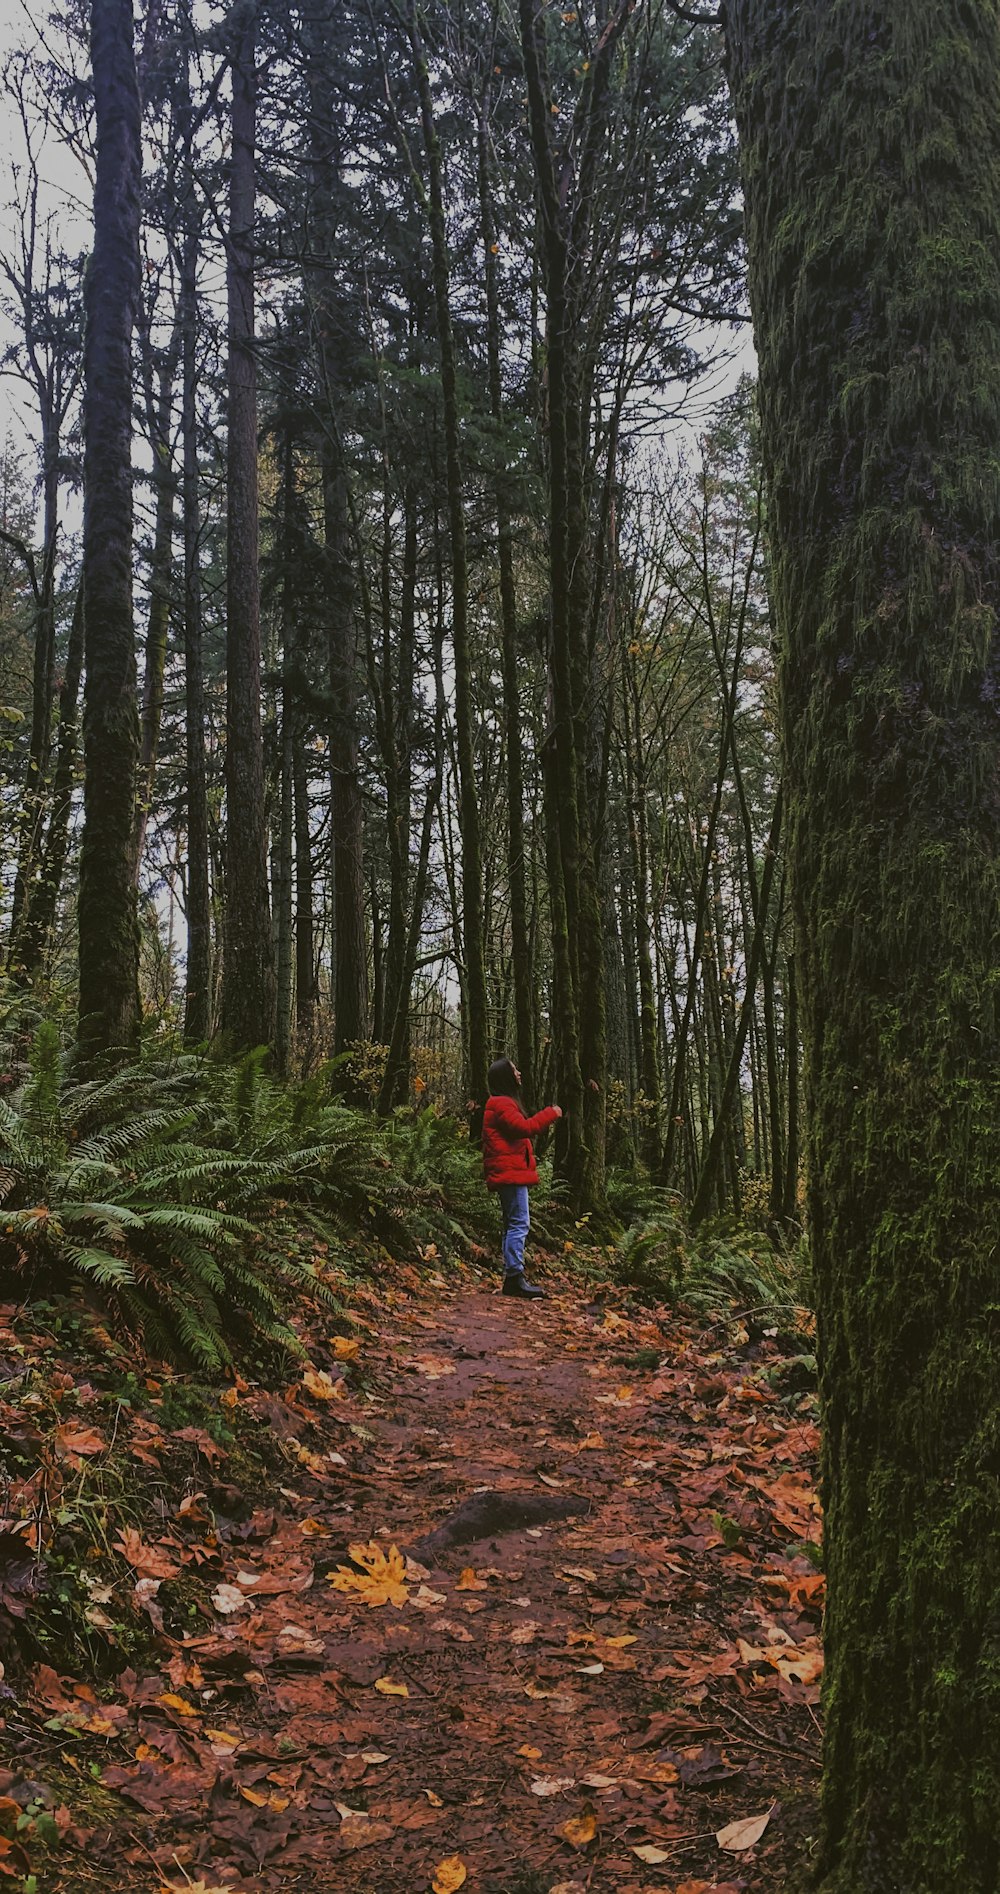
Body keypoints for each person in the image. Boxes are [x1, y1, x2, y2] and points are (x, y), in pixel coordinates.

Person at [481, 1056, 562, 1300]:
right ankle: (515, 1278)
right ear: (505, 1077)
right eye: (515, 1070)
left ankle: (513, 1277)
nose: (519, 1073)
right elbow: (523, 1128)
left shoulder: (500, 1103)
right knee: (519, 1224)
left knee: (512, 1224)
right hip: (510, 1173)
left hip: (510, 1171)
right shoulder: (501, 1104)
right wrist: (551, 1113)